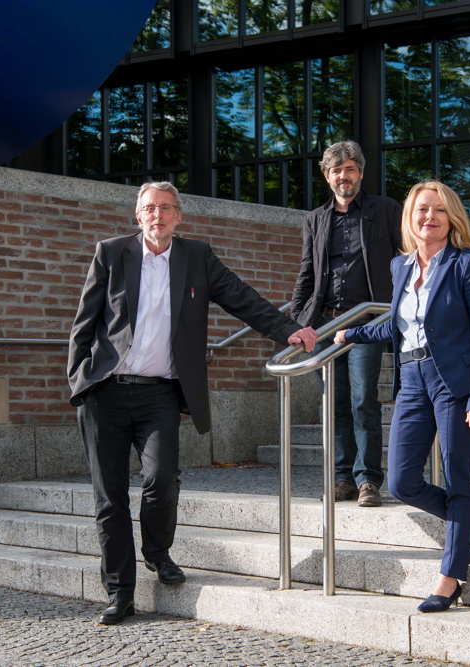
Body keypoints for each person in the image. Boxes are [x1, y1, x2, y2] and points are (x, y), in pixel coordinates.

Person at [68, 181, 317, 625]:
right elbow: (84, 323)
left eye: (166, 208)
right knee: (110, 498)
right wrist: (79, 382)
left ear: (179, 216)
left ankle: (157, 552)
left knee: (162, 480)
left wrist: (286, 330)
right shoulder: (111, 253)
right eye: (149, 208)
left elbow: (241, 297)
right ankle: (119, 591)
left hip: (160, 392)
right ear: (138, 215)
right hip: (105, 392)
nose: (158, 215)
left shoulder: (196, 257)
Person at [334, 179, 470, 612]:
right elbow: (398, 324)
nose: (430, 217)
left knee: (459, 481)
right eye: (422, 209)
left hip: (453, 384)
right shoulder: (400, 267)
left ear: (452, 217)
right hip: (411, 378)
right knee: (402, 481)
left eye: (439, 210)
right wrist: (351, 333)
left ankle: (450, 577)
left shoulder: (469, 263)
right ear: (410, 218)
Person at [291, 140, 402, 507]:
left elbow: (404, 258)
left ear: (361, 173)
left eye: (350, 169)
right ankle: (343, 478)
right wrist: (296, 319)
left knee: (362, 399)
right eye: (336, 170)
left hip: (367, 323)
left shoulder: (385, 210)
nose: (344, 176)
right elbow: (307, 272)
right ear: (327, 176)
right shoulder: (315, 219)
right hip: (324, 324)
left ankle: (368, 479)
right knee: (334, 402)